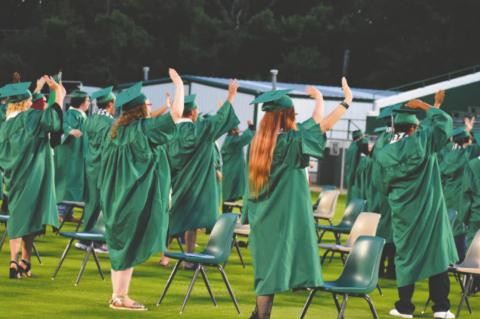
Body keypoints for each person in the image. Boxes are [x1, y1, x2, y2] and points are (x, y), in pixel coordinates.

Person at [244, 78, 353, 319]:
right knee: (281, 269)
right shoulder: (291, 142)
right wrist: (346, 102)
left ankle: (259, 314)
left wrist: (320, 100)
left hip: (263, 219)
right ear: (287, 115)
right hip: (285, 219)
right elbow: (320, 127)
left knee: (266, 272)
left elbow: (314, 124)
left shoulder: (258, 144)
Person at [98, 69, 183, 311]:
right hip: (134, 198)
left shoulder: (115, 132)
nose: (150, 106)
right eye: (148, 104)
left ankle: (117, 295)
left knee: (120, 245)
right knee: (129, 245)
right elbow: (176, 114)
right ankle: (121, 297)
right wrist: (179, 86)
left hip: (115, 197)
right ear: (140, 110)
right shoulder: (144, 130)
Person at [373, 100, 458, 319]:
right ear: (413, 127)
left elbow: (380, 185)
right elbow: (444, 121)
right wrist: (422, 105)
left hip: (404, 213)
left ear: (395, 128)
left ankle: (404, 307)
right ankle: (441, 308)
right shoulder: (424, 141)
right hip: (430, 211)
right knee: (437, 255)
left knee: (406, 257)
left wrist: (399, 196)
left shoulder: (384, 152)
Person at [166, 81, 240, 269]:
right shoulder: (199, 130)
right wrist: (230, 96)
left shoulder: (171, 132)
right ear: (192, 113)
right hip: (198, 185)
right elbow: (219, 120)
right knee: (193, 220)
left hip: (179, 185)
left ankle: (186, 256)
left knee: (184, 220)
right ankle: (183, 256)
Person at [0, 77, 65, 278]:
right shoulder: (30, 119)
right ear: (24, 103)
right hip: (34, 175)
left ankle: (18, 260)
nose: (31, 103)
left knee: (19, 216)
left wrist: (37, 89)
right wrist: (58, 94)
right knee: (31, 217)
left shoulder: (5, 125)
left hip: (14, 177)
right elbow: (52, 121)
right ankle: (22, 260)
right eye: (29, 101)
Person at [75, 86, 116, 252]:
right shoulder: (111, 123)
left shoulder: (89, 120)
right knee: (105, 203)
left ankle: (86, 239)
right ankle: (97, 240)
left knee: (92, 203)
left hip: (90, 166)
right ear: (111, 104)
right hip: (104, 167)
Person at [54, 90, 90, 222]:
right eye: (87, 101)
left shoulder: (80, 115)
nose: (89, 103)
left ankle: (68, 213)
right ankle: (60, 212)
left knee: (76, 182)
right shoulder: (71, 114)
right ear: (81, 103)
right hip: (71, 155)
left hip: (79, 153)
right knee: (68, 182)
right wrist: (70, 131)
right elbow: (63, 126)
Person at [440, 125, 473, 262]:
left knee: (450, 225)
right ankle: (460, 257)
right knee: (460, 227)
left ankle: (448, 255)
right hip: (462, 195)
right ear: (466, 140)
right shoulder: (466, 155)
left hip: (448, 195)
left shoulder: (447, 155)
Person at [221, 120, 255, 205]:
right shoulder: (232, 141)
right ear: (232, 131)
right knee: (230, 198)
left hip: (232, 171)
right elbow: (244, 138)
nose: (238, 130)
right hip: (232, 172)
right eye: (237, 129)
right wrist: (250, 128)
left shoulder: (231, 139)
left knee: (232, 197)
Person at [344, 129, 364, 202]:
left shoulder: (351, 146)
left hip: (350, 176)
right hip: (354, 177)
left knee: (350, 196)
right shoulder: (357, 147)